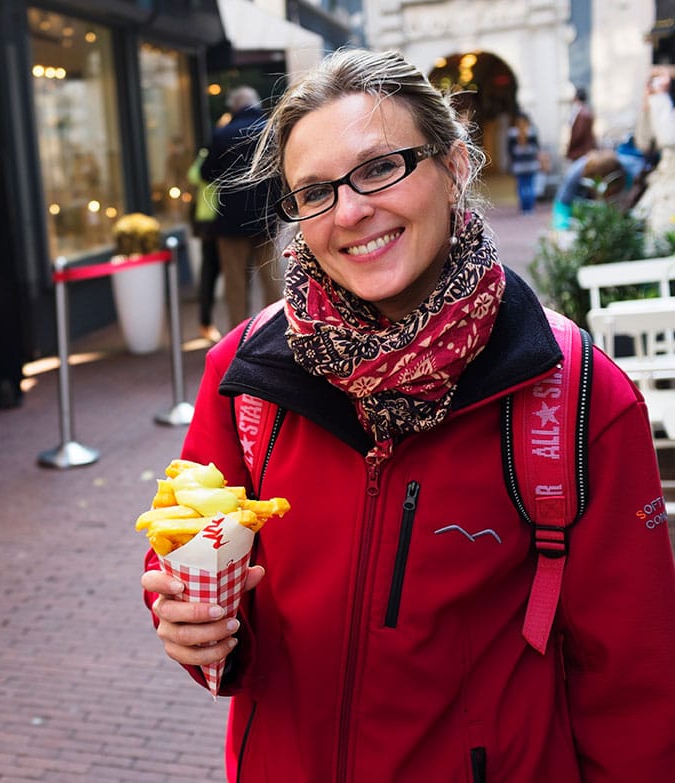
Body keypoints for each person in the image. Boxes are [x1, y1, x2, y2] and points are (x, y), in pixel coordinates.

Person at [141, 48, 675, 781]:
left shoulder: (579, 395)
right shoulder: (243, 376)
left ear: (454, 166)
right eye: (314, 191)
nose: (351, 211)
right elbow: (184, 551)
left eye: (378, 168)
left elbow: (635, 684)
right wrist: (192, 623)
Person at [200, 86, 279, 328]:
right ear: (255, 104)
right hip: (265, 217)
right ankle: (277, 332)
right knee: (272, 280)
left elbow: (206, 173)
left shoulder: (223, 134)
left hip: (230, 220)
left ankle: (239, 337)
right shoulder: (272, 130)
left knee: (235, 283)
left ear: (234, 106)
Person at [634, 66, 675, 244]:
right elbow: (643, 142)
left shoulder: (664, 102)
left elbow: (669, 138)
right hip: (663, 185)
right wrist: (647, 105)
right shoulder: (662, 104)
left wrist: (660, 98)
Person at [187, 146, 223, 343]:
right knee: (209, 273)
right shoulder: (207, 154)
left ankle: (207, 323)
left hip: (222, 221)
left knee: (214, 274)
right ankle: (206, 323)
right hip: (209, 222)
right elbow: (193, 175)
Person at [550, 148, 632, 231]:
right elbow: (562, 204)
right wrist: (563, 229)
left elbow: (627, 196)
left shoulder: (625, 170)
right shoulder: (575, 173)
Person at [506, 111, 541, 213]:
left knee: (521, 186)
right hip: (531, 164)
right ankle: (530, 208)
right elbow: (537, 148)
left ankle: (524, 208)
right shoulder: (532, 131)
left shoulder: (512, 133)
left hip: (519, 165)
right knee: (530, 186)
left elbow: (509, 150)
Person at [565, 86, 595, 162]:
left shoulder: (581, 113)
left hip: (580, 152)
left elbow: (578, 134)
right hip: (584, 151)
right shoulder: (586, 111)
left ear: (576, 98)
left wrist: (570, 147)